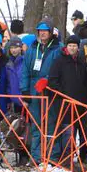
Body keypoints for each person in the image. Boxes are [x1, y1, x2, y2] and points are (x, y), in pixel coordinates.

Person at [21, 21, 63, 164]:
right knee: (36, 124)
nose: (42, 33)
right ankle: (36, 156)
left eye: (45, 31)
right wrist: (25, 92)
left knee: (51, 123)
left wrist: (48, 80)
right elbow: (25, 70)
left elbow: (60, 70)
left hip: (50, 90)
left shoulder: (58, 48)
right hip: (33, 89)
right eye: (40, 31)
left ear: (51, 32)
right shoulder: (32, 49)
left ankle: (52, 157)